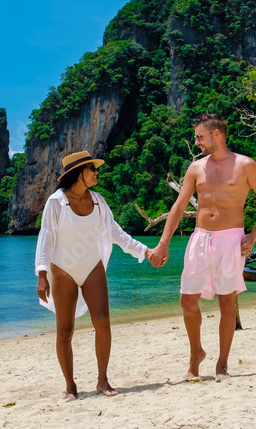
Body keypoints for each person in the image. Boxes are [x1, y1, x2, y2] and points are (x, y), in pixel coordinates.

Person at [152, 114, 256, 381]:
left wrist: (252, 236)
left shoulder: (245, 165)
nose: (197, 142)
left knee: (227, 301)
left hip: (231, 239)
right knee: (187, 299)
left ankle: (222, 365)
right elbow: (179, 206)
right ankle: (196, 354)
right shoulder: (196, 168)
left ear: (216, 134)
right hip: (200, 237)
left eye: (200, 136)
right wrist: (163, 243)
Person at [35, 150, 161, 399]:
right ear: (78, 173)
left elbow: (115, 232)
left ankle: (103, 380)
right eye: (92, 169)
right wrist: (41, 274)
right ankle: (70, 386)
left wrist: (144, 251)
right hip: (63, 270)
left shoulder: (98, 201)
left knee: (102, 322)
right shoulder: (56, 202)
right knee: (65, 330)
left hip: (92, 267)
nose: (96, 173)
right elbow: (46, 236)